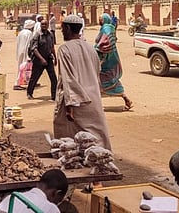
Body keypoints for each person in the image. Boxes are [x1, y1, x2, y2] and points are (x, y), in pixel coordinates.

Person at [54, 14, 112, 150]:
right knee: (96, 136)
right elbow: (97, 72)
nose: (62, 31)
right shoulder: (91, 48)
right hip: (93, 98)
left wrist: (69, 107)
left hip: (76, 102)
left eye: (62, 28)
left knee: (70, 139)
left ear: (68, 28)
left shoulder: (64, 49)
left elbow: (68, 78)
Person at [95, 13, 133, 111]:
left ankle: (97, 105)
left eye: (101, 19)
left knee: (99, 80)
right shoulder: (110, 28)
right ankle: (126, 99)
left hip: (105, 59)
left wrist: (95, 49)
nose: (100, 21)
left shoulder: (106, 29)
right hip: (111, 58)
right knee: (110, 80)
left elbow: (104, 43)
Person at [0, 169, 68, 213]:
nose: (56, 204)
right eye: (57, 201)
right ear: (56, 193)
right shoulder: (51, 209)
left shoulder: (11, 198)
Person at [26, 19, 57, 100]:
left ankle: (54, 96)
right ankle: (29, 92)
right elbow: (34, 49)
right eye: (42, 24)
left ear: (48, 25)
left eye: (45, 24)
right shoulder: (37, 35)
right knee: (34, 77)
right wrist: (41, 59)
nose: (44, 26)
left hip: (49, 58)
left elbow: (52, 47)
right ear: (40, 25)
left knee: (53, 78)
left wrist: (55, 58)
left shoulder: (50, 35)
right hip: (38, 60)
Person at [14, 19, 35, 90]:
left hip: (20, 52)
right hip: (26, 53)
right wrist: (29, 55)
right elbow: (29, 44)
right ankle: (19, 83)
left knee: (20, 67)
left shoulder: (21, 32)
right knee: (26, 68)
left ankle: (22, 81)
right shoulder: (29, 33)